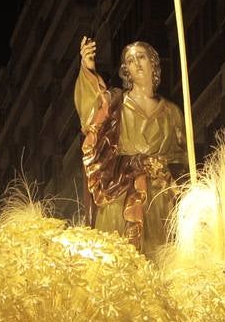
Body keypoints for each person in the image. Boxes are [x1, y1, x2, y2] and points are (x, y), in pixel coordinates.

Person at [75, 35, 187, 254]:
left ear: (153, 63)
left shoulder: (172, 113)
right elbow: (91, 113)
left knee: (162, 259)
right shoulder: (116, 104)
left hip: (160, 199)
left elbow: (183, 159)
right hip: (122, 194)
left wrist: (166, 169)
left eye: (141, 57)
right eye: (130, 60)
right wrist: (88, 69)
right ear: (125, 70)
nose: (136, 63)